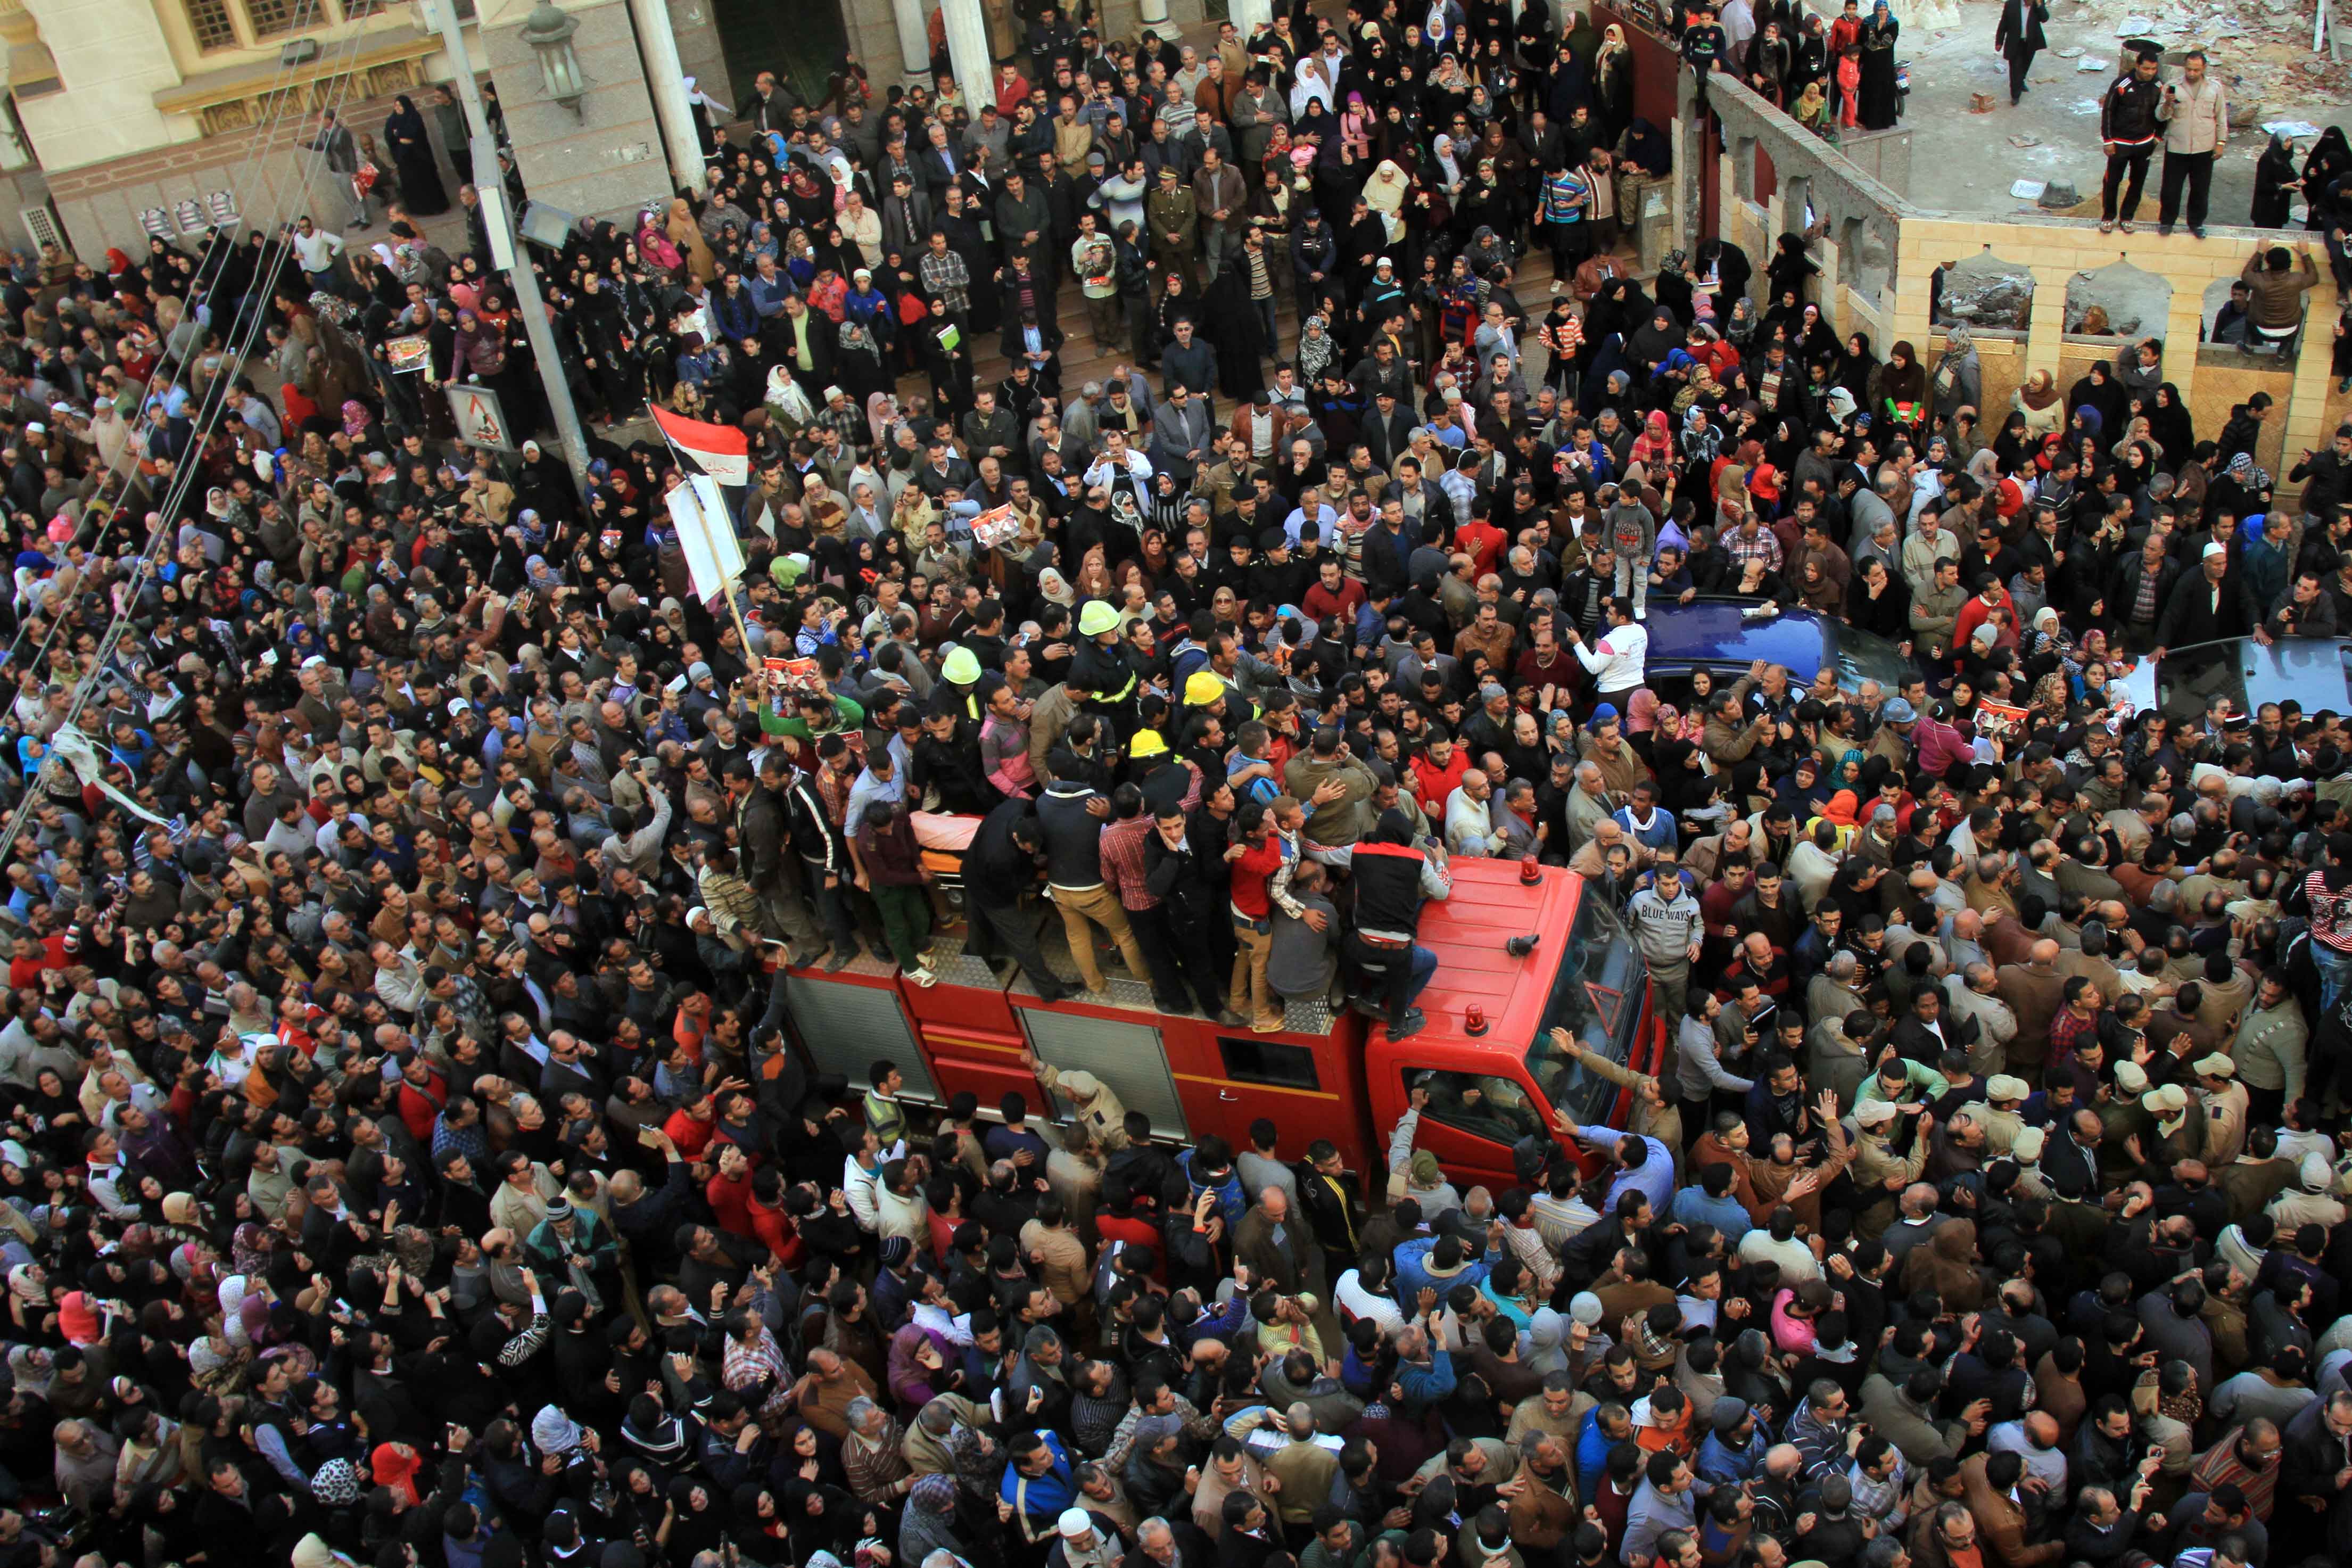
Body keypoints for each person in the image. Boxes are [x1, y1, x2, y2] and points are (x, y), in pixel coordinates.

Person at [2156, 48, 2227, 238]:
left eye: (2196, 70)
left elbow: (2221, 116)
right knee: (2171, 189)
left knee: (2200, 190)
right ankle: (2167, 222)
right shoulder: (2172, 86)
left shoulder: (2214, 88)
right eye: (2189, 69)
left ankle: (2196, 224)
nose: (2192, 73)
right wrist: (2167, 104)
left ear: (2204, 68)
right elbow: (2160, 117)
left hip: (2204, 147)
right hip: (2177, 147)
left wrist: (2221, 142)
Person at [2099, 45, 2166, 233]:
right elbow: (2108, 111)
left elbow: (2163, 113)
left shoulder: (2159, 86)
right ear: (2137, 66)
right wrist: (2108, 140)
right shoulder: (2121, 85)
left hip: (2145, 144)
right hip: (2121, 144)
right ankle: (2108, 217)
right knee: (2112, 181)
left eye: (2153, 69)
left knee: (2137, 182)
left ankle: (2127, 217)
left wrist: (2158, 137)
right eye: (2146, 69)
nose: (2150, 73)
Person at [1994, 0, 2048, 109]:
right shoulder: (2011, 4)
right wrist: (1999, 42)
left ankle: (2021, 82)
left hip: (2031, 42)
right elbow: (2003, 24)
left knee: (2025, 65)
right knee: (2015, 68)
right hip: (2015, 43)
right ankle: (2015, 95)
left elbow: (2044, 18)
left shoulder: (2038, 3)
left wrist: (2039, 5)